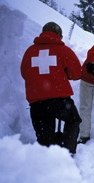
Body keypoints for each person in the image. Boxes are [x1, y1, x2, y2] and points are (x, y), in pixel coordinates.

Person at [20, 22, 82, 155]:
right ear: (59, 35)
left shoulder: (30, 51)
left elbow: (25, 73)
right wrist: (64, 74)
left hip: (37, 102)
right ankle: (67, 152)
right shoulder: (62, 50)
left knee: (44, 136)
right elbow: (77, 73)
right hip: (59, 101)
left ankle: (47, 162)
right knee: (73, 121)